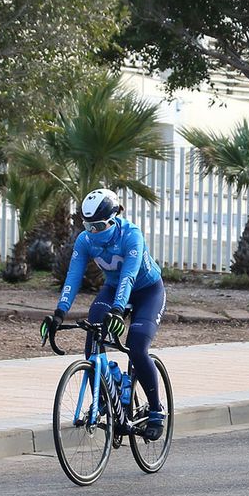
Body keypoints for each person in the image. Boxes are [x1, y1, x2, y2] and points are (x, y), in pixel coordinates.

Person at [41, 189, 167, 441]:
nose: (93, 231)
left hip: (146, 292)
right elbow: (73, 277)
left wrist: (119, 310)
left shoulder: (131, 235)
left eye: (98, 225)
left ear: (114, 217)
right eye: (87, 225)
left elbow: (129, 277)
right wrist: (59, 313)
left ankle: (155, 411)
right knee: (93, 340)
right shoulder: (85, 240)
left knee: (136, 346)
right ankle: (104, 397)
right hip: (112, 290)